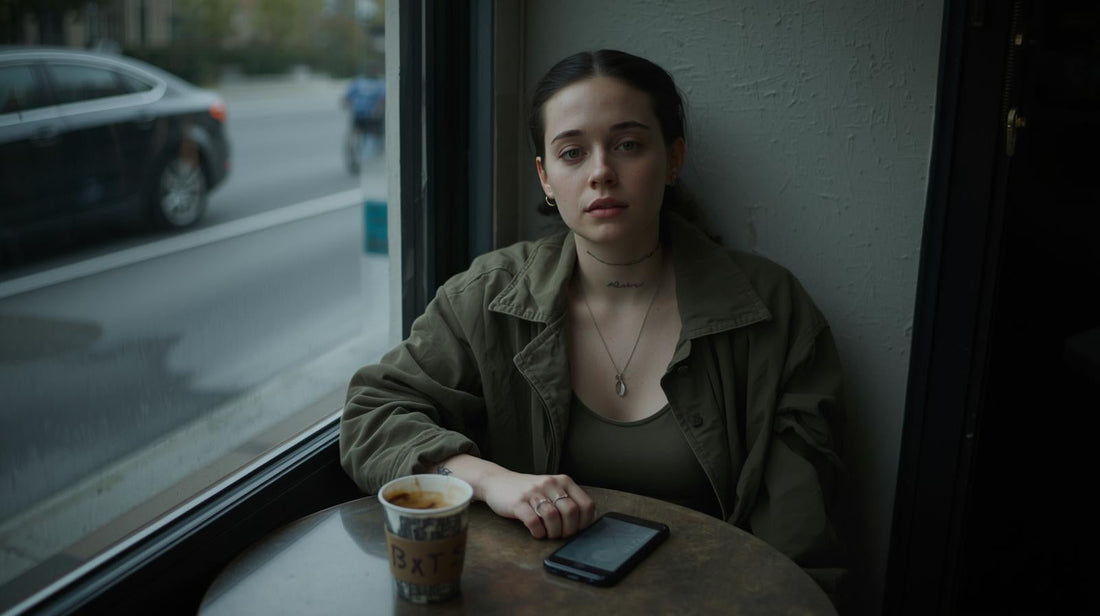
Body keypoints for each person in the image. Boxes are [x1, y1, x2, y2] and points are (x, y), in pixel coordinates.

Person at [340, 49, 845, 592]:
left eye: (628, 145)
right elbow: (371, 415)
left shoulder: (771, 311)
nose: (602, 172)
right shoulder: (488, 297)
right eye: (573, 152)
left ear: (673, 159)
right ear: (546, 177)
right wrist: (490, 481)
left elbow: (798, 545)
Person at [342, 68, 385, 170]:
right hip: (371, 116)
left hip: (361, 115)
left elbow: (347, 97)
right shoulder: (380, 84)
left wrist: (346, 103)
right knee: (372, 136)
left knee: (360, 134)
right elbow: (383, 99)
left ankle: (362, 153)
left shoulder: (359, 82)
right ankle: (369, 153)